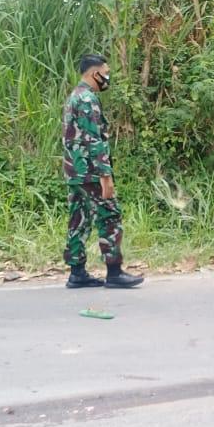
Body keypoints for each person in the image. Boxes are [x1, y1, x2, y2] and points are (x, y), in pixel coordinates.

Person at [61, 54, 144, 289]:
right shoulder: (87, 99)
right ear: (92, 73)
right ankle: (114, 272)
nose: (107, 77)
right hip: (91, 171)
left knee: (79, 218)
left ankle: (77, 273)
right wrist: (106, 176)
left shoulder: (74, 96)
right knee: (110, 216)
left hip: (75, 171)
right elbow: (93, 140)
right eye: (105, 73)